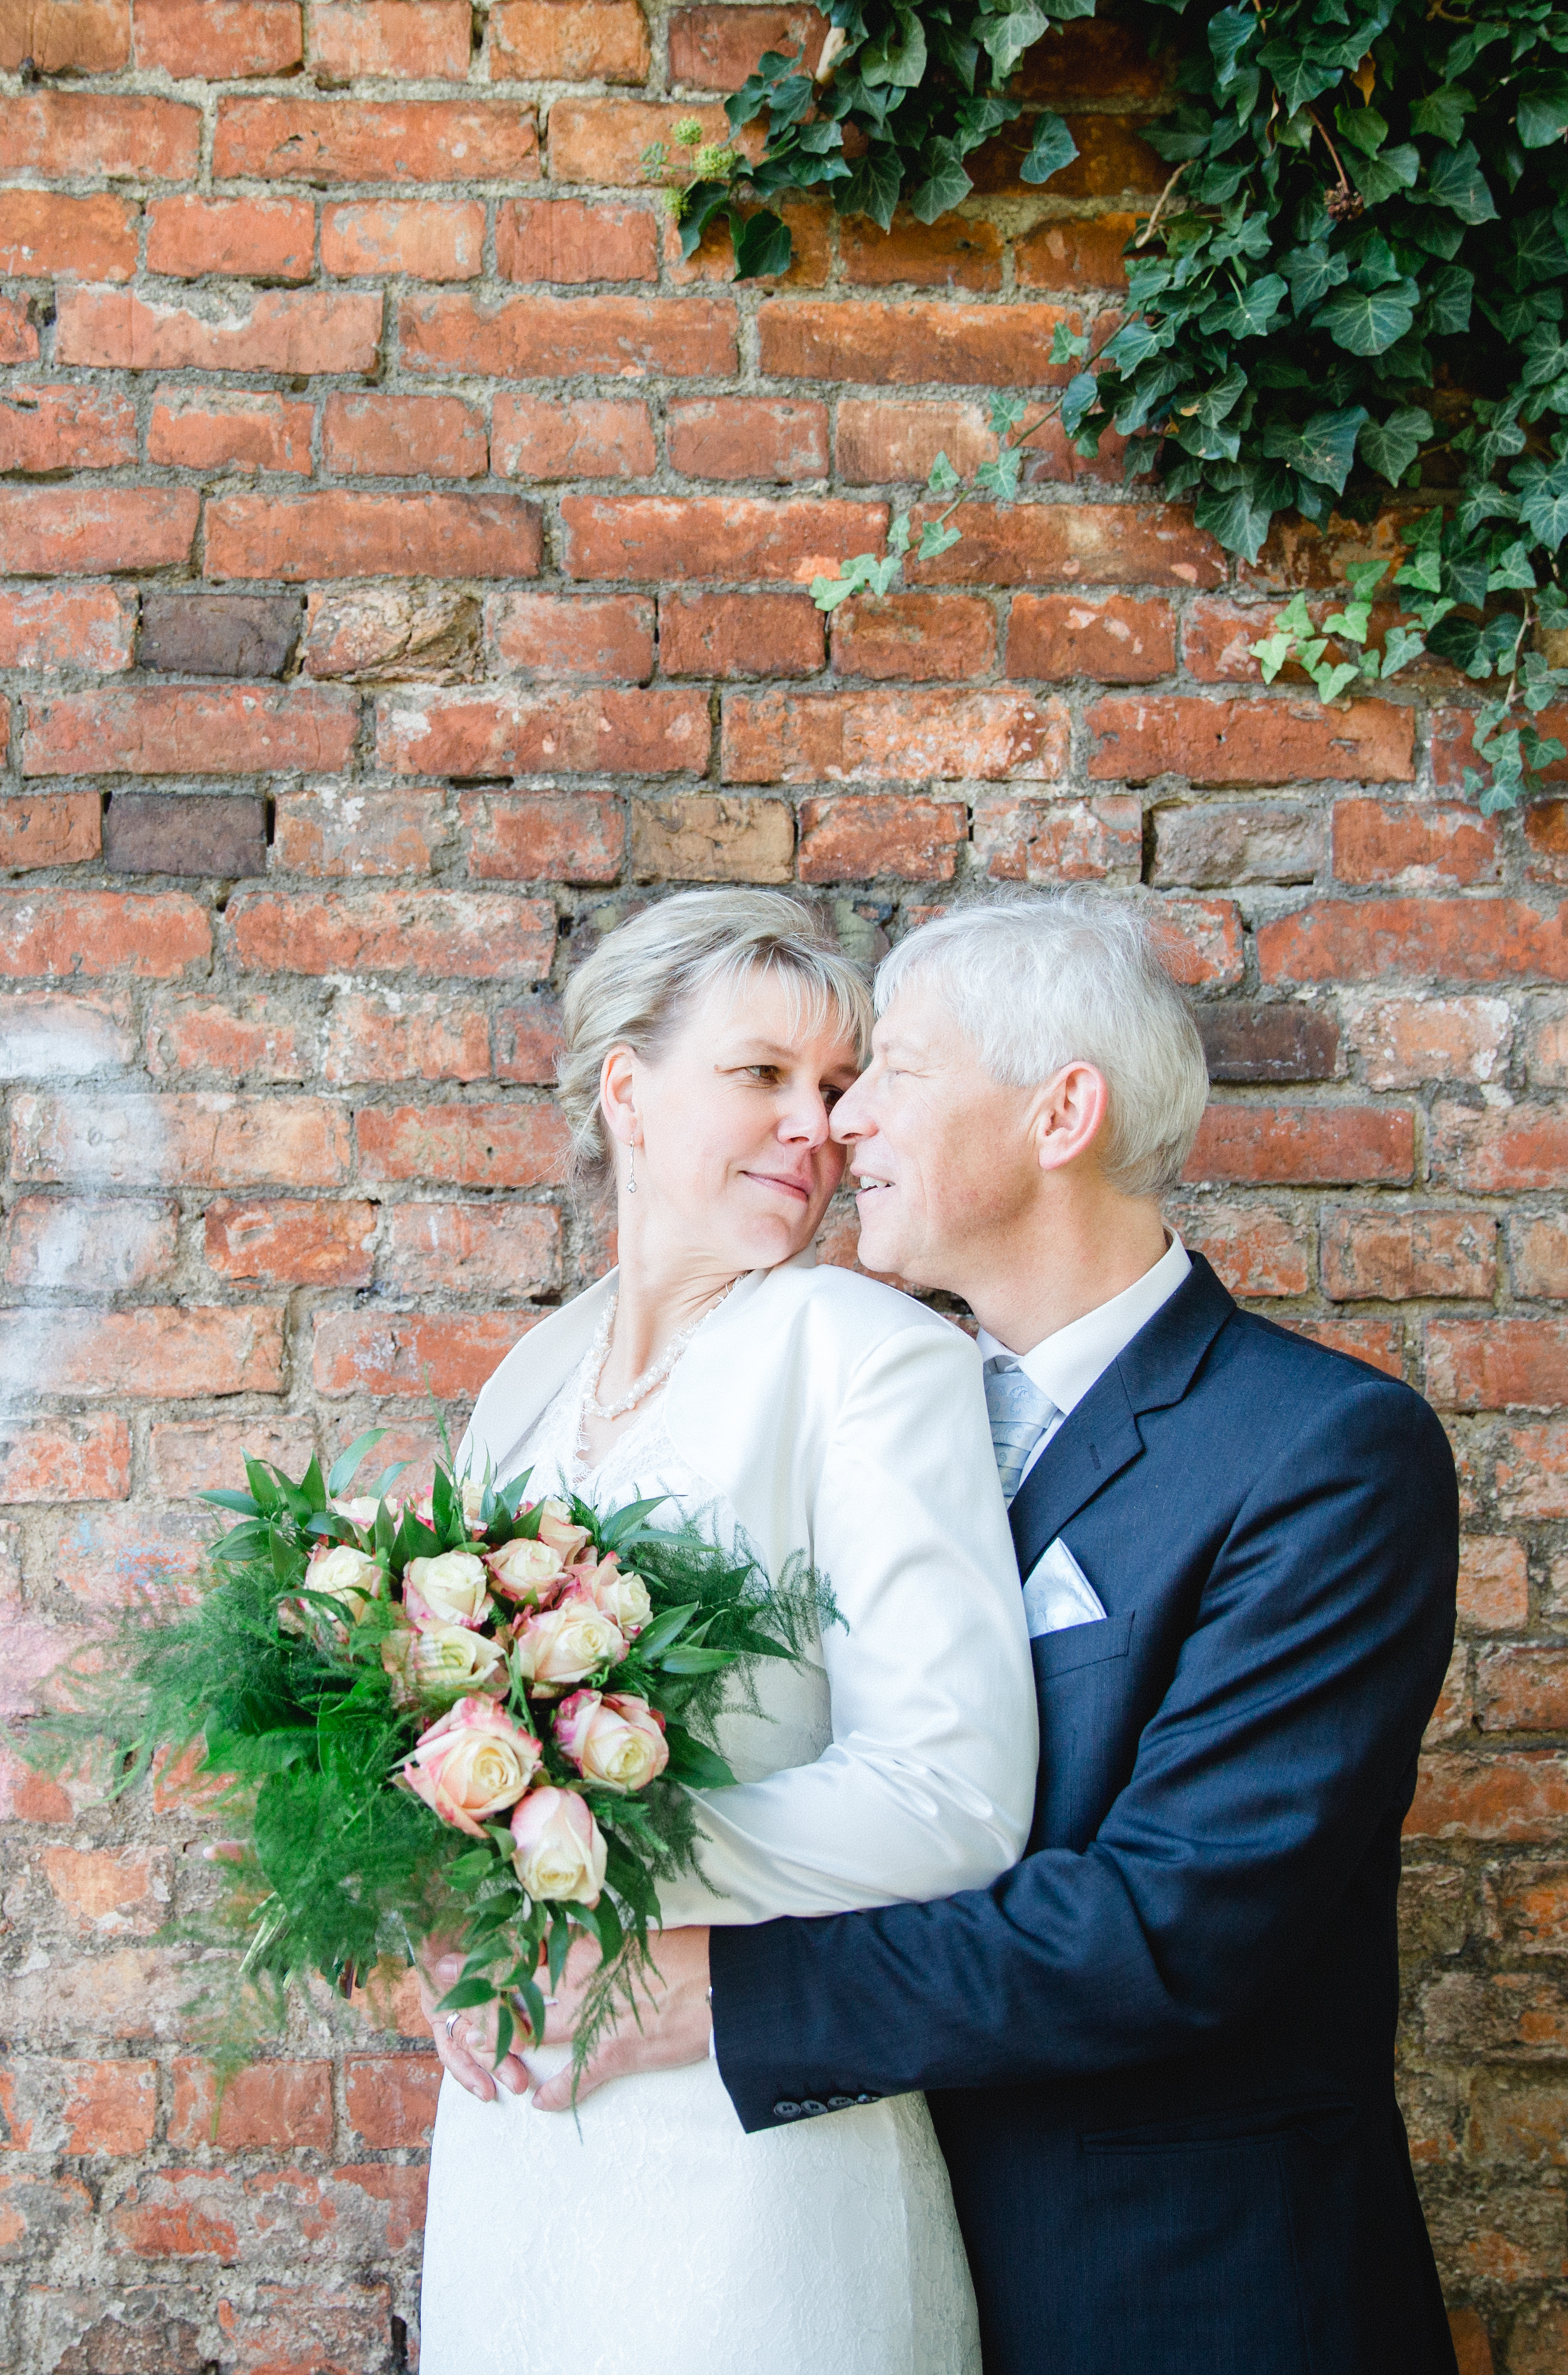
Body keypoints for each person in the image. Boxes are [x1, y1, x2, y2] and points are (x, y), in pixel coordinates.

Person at [434, 890, 1465, 2375]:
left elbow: (1176, 1921)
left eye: (882, 1078)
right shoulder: (885, 1392)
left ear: (1061, 1113)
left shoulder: (1319, 1450)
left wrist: (708, 1990)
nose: (842, 1131)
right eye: (788, 1083)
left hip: (1176, 2285)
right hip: (848, 2196)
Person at [413, 888, 1038, 2375]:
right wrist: (440, 1915)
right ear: (625, 1087)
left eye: (835, 1089)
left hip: (750, 2153)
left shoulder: (870, 1357)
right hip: (515, 2139)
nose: (813, 1126)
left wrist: (575, 1862)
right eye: (762, 1076)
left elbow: (952, 1799)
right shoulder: (525, 1383)